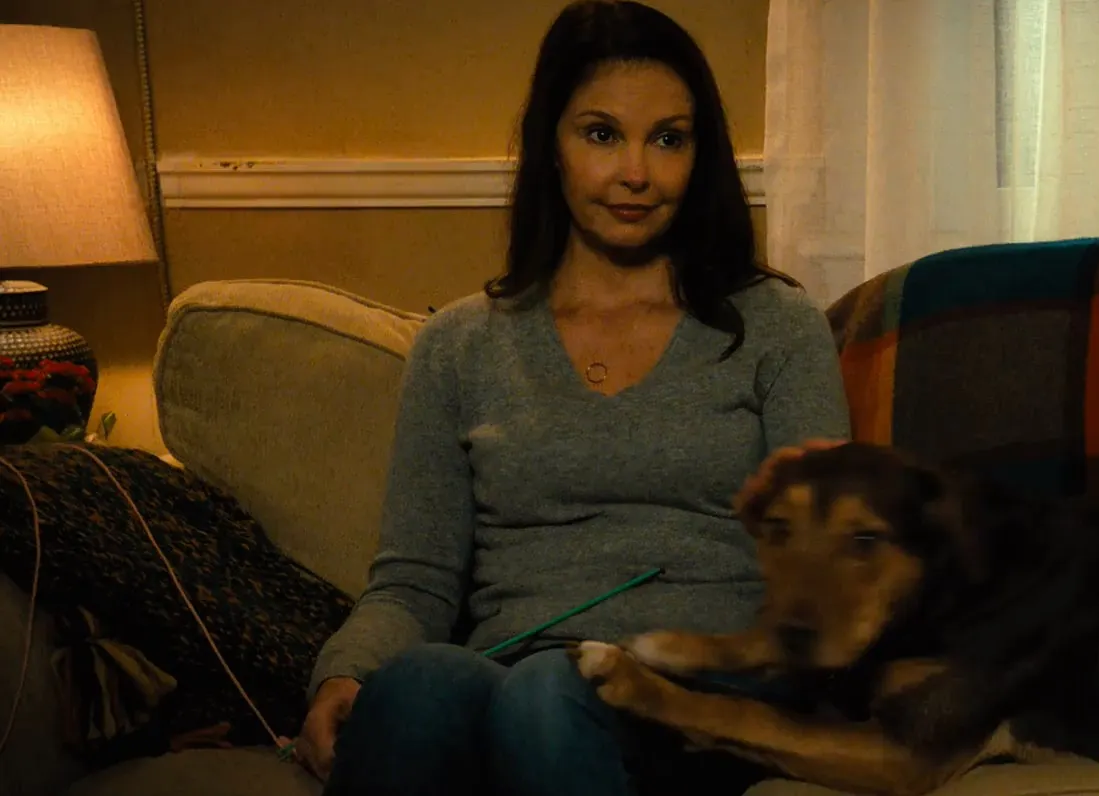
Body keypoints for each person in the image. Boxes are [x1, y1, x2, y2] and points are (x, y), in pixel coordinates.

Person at [292, 2, 851, 794]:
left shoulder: (777, 327)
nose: (637, 173)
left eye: (668, 139)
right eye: (601, 134)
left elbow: (823, 571)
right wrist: (345, 673)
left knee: (548, 692)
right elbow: (415, 579)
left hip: (704, 694)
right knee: (419, 683)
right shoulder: (457, 346)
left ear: (701, 157)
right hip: (515, 681)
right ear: (549, 147)